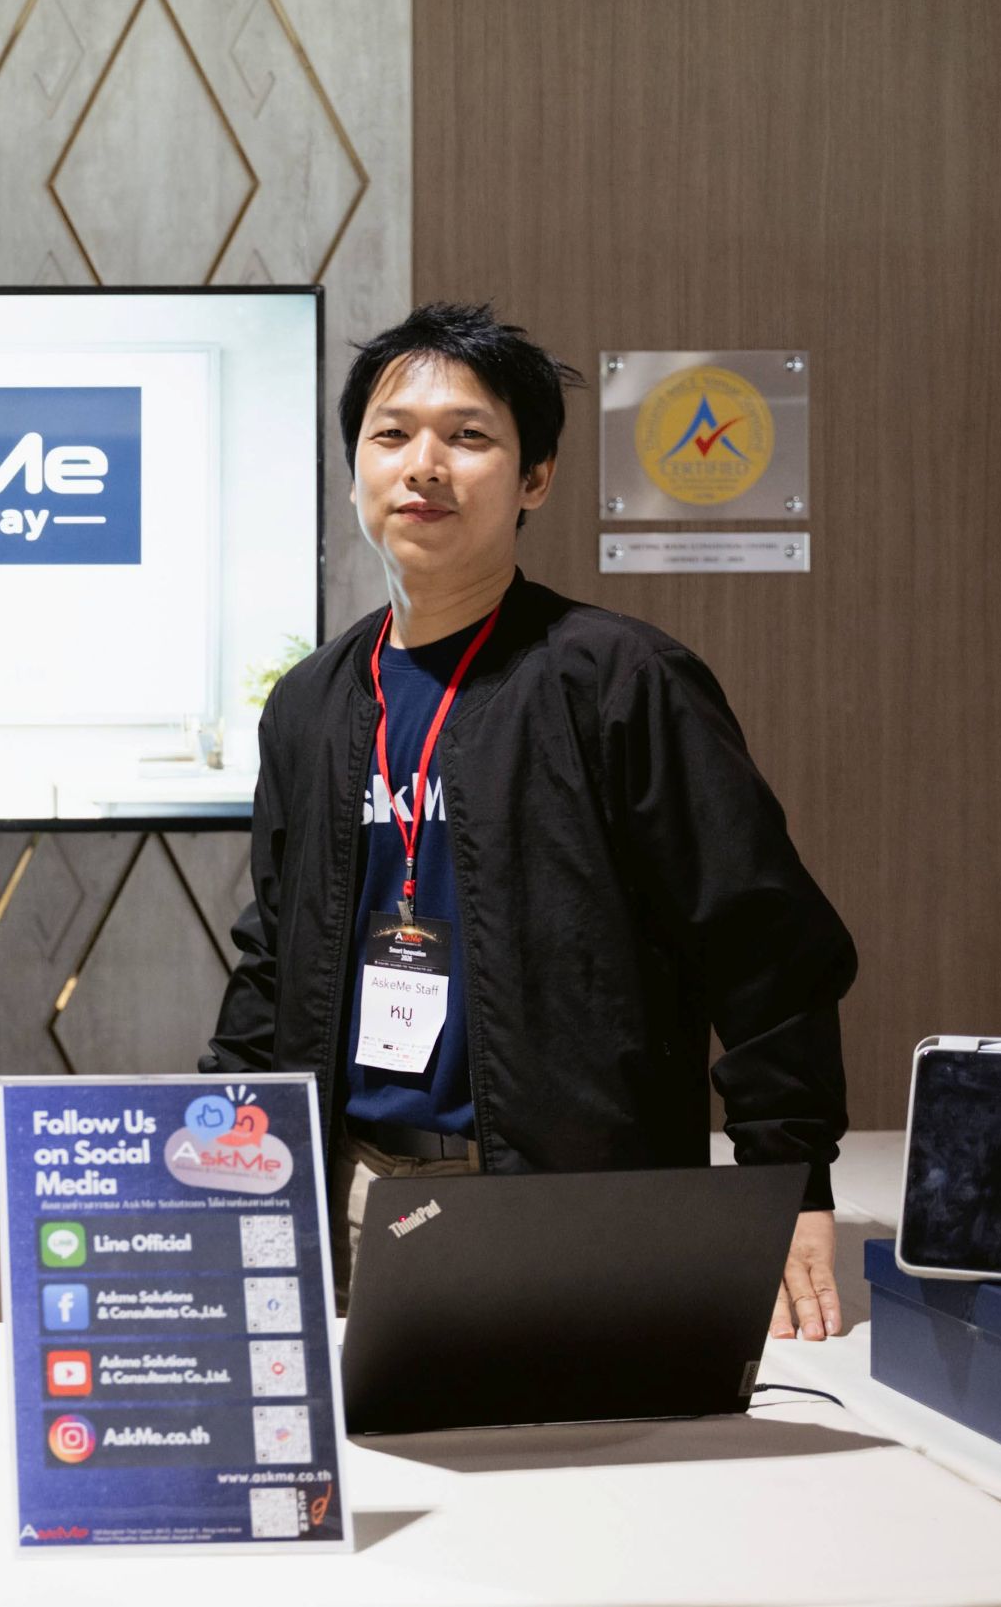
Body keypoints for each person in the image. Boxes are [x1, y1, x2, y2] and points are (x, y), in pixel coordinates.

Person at [204, 302, 854, 1342]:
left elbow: (762, 943)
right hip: (350, 1198)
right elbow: (274, 955)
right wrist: (222, 1160)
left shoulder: (618, 681)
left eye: (468, 436)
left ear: (535, 477)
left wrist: (791, 1177)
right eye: (391, 434)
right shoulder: (310, 703)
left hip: (572, 1205)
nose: (424, 465)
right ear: (354, 466)